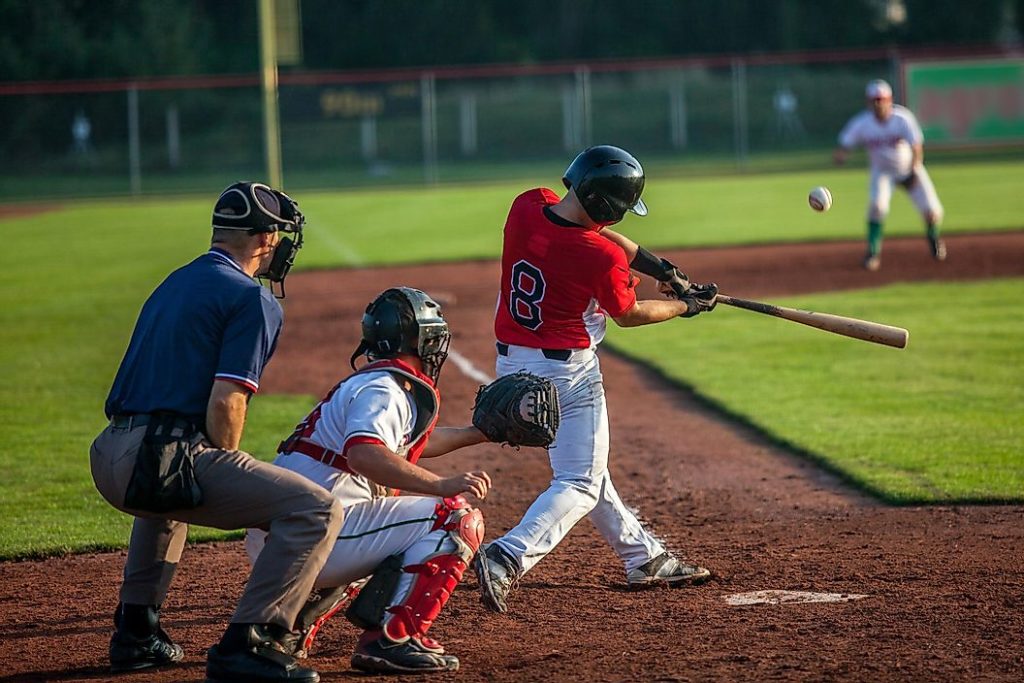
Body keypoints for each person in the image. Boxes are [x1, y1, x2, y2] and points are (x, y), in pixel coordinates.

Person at [90, 181, 344, 683]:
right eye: (278, 235)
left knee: (169, 494)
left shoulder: (175, 281)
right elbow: (227, 400)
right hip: (154, 459)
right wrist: (227, 466)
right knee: (316, 509)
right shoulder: (253, 299)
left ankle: (136, 632)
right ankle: (250, 644)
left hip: (109, 454)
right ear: (265, 238)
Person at [472, 144, 718, 615]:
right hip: (567, 376)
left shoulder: (527, 205)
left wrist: (664, 270)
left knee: (587, 467)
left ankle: (644, 558)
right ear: (607, 206)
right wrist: (687, 306)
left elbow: (601, 237)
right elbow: (630, 313)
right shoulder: (598, 256)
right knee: (580, 480)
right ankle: (508, 555)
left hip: (511, 365)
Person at [245, 286, 492, 674]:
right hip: (316, 537)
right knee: (454, 518)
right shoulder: (385, 389)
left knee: (384, 527)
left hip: (285, 538)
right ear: (421, 340)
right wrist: (441, 485)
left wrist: (479, 433)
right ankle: (393, 639)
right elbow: (365, 454)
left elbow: (399, 445)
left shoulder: (368, 384)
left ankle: (289, 626)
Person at [834, 79, 946, 271]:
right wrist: (842, 155)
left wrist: (913, 170)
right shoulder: (863, 123)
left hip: (910, 168)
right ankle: (872, 252)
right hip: (882, 172)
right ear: (868, 102)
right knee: (877, 207)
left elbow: (917, 147)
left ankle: (933, 238)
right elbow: (845, 143)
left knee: (932, 211)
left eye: (881, 99)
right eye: (874, 100)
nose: (878, 103)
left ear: (889, 99)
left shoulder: (902, 118)